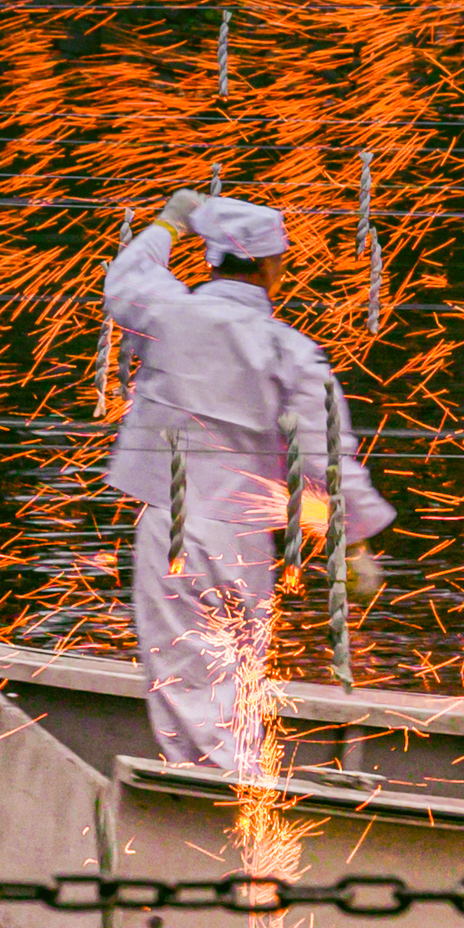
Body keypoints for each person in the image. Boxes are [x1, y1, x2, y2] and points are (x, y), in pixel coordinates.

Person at [103, 192, 393, 775]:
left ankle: (225, 805)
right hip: (245, 541)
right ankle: (244, 802)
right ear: (270, 267)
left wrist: (167, 222)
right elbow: (326, 458)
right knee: (237, 672)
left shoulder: (166, 314)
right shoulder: (287, 350)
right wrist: (354, 544)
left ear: (210, 260)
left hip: (171, 527)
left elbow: (126, 276)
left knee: (183, 676)